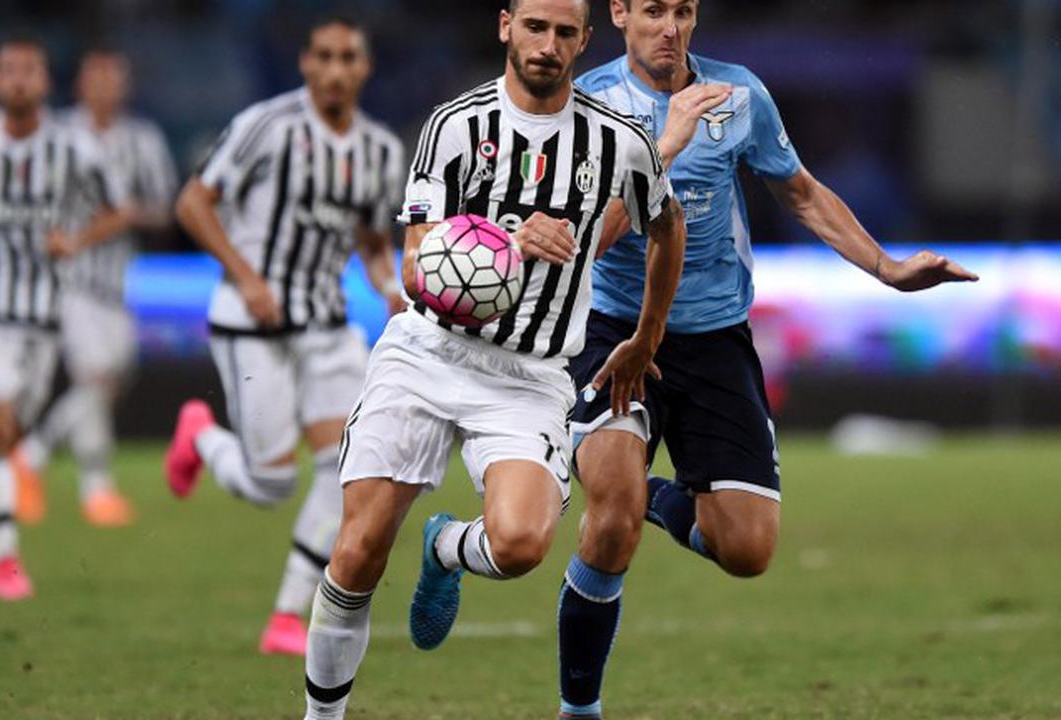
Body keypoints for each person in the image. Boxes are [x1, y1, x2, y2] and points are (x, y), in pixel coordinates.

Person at [555, 1, 979, 717]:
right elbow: (588, 237)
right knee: (612, 518)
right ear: (620, 14)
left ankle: (656, 496)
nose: (671, 27)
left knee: (747, 551)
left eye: (684, 10)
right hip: (614, 333)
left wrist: (888, 268)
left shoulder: (738, 93)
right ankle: (579, 709)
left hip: (715, 337)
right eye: (654, 10)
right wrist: (668, 144)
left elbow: (801, 193)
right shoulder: (590, 105)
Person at [302, 0, 686, 717]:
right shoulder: (454, 127)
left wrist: (647, 335)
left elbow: (667, 225)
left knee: (519, 544)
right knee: (356, 554)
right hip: (429, 354)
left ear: (583, 41)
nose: (548, 45)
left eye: (564, 32)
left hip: (530, 376)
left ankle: (447, 546)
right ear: (506, 25)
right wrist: (506, 243)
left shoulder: (619, 143)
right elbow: (416, 266)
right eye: (535, 27)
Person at [162, 15, 407, 656]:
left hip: (327, 327)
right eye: (323, 56)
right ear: (306, 64)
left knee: (350, 465)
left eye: (347, 57)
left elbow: (372, 242)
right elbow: (193, 201)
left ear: (364, 68)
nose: (334, 69)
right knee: (270, 485)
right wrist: (246, 277)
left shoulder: (379, 151)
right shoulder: (268, 126)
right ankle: (201, 436)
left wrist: (389, 287)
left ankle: (287, 615)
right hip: (253, 324)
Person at [0, 36, 128, 600]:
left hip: (41, 315)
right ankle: (5, 560)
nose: (19, 79)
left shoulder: (73, 149)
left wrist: (78, 239)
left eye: (30, 69)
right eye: (8, 69)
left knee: (8, 434)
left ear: (45, 81)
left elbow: (117, 211)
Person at [14, 48, 179, 528]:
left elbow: (163, 206)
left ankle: (37, 454)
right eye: (97, 77)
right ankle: (91, 486)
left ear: (125, 86)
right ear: (80, 84)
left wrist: (126, 214)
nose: (106, 87)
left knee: (112, 376)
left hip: (115, 280)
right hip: (66, 279)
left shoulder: (142, 139)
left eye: (115, 78)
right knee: (97, 375)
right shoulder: (59, 133)